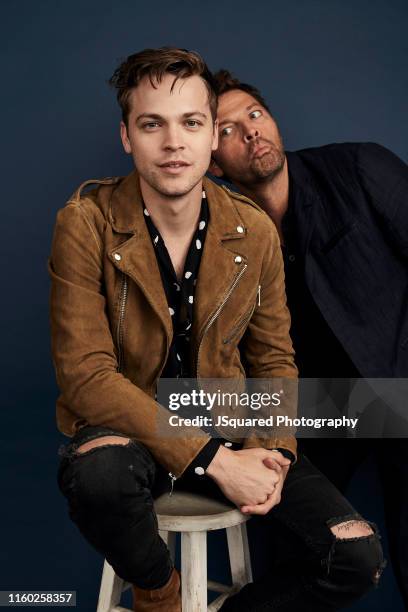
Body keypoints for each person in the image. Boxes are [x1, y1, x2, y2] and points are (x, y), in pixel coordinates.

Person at [49, 48, 384, 612]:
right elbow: (86, 376)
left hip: (229, 416)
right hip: (129, 427)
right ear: (127, 136)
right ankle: (161, 593)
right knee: (97, 477)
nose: (173, 142)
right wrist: (214, 462)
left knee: (354, 558)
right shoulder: (86, 222)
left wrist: (273, 451)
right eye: (152, 124)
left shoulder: (252, 231)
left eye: (192, 123)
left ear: (210, 138)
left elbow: (275, 360)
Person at [210, 68, 408, 608]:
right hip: (321, 407)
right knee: (288, 531)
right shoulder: (223, 236)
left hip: (400, 384)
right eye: (228, 129)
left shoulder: (359, 167)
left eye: (255, 114)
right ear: (210, 159)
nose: (251, 131)